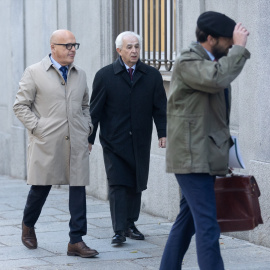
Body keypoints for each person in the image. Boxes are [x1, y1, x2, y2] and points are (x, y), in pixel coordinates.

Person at [160, 11, 250, 270]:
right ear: (210, 39)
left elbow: (213, 118)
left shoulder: (210, 62)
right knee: (208, 226)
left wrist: (222, 155)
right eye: (228, 41)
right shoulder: (189, 62)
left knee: (187, 222)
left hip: (202, 155)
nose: (232, 45)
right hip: (190, 159)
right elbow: (218, 78)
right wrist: (240, 50)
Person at [13, 29, 99, 258]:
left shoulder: (80, 74)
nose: (72, 49)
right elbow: (20, 106)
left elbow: (85, 105)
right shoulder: (34, 72)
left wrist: (86, 127)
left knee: (78, 188)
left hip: (77, 141)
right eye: (67, 45)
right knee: (41, 188)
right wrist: (38, 128)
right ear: (53, 47)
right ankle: (28, 225)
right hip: (47, 141)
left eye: (74, 45)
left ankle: (76, 240)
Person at [88, 31, 167, 245]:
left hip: (140, 141)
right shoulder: (104, 76)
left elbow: (160, 107)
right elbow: (94, 111)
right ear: (119, 50)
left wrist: (163, 132)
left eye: (137, 47)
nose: (134, 51)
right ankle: (119, 230)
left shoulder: (151, 75)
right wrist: (89, 138)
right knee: (118, 184)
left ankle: (131, 223)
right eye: (129, 47)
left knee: (136, 183)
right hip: (114, 141)